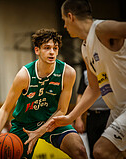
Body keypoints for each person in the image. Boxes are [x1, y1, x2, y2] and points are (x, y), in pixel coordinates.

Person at [0, 28, 88, 159]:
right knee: (8, 154)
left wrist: (40, 132)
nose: (52, 52)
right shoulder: (24, 76)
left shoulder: (68, 73)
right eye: (47, 48)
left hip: (53, 122)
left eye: (55, 48)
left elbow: (62, 110)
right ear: (37, 50)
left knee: (80, 150)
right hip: (24, 125)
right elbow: (5, 109)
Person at [46, 0, 126, 158]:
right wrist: (70, 117)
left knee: (101, 151)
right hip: (117, 110)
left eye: (64, 21)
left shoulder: (102, 29)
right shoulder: (85, 47)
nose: (64, 26)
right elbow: (94, 88)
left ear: (70, 16)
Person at [74, 65, 110, 159]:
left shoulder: (111, 72)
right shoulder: (86, 74)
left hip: (109, 115)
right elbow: (80, 96)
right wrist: (78, 118)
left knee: (109, 149)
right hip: (92, 116)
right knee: (93, 149)